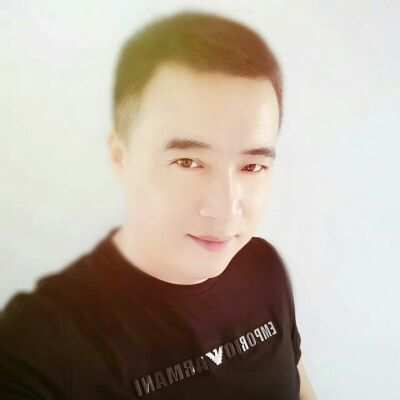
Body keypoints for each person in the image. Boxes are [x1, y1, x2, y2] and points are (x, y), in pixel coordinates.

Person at [0, 9, 317, 399]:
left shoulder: (262, 265)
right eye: (188, 162)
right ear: (121, 157)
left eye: (252, 166)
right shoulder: (37, 345)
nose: (224, 208)